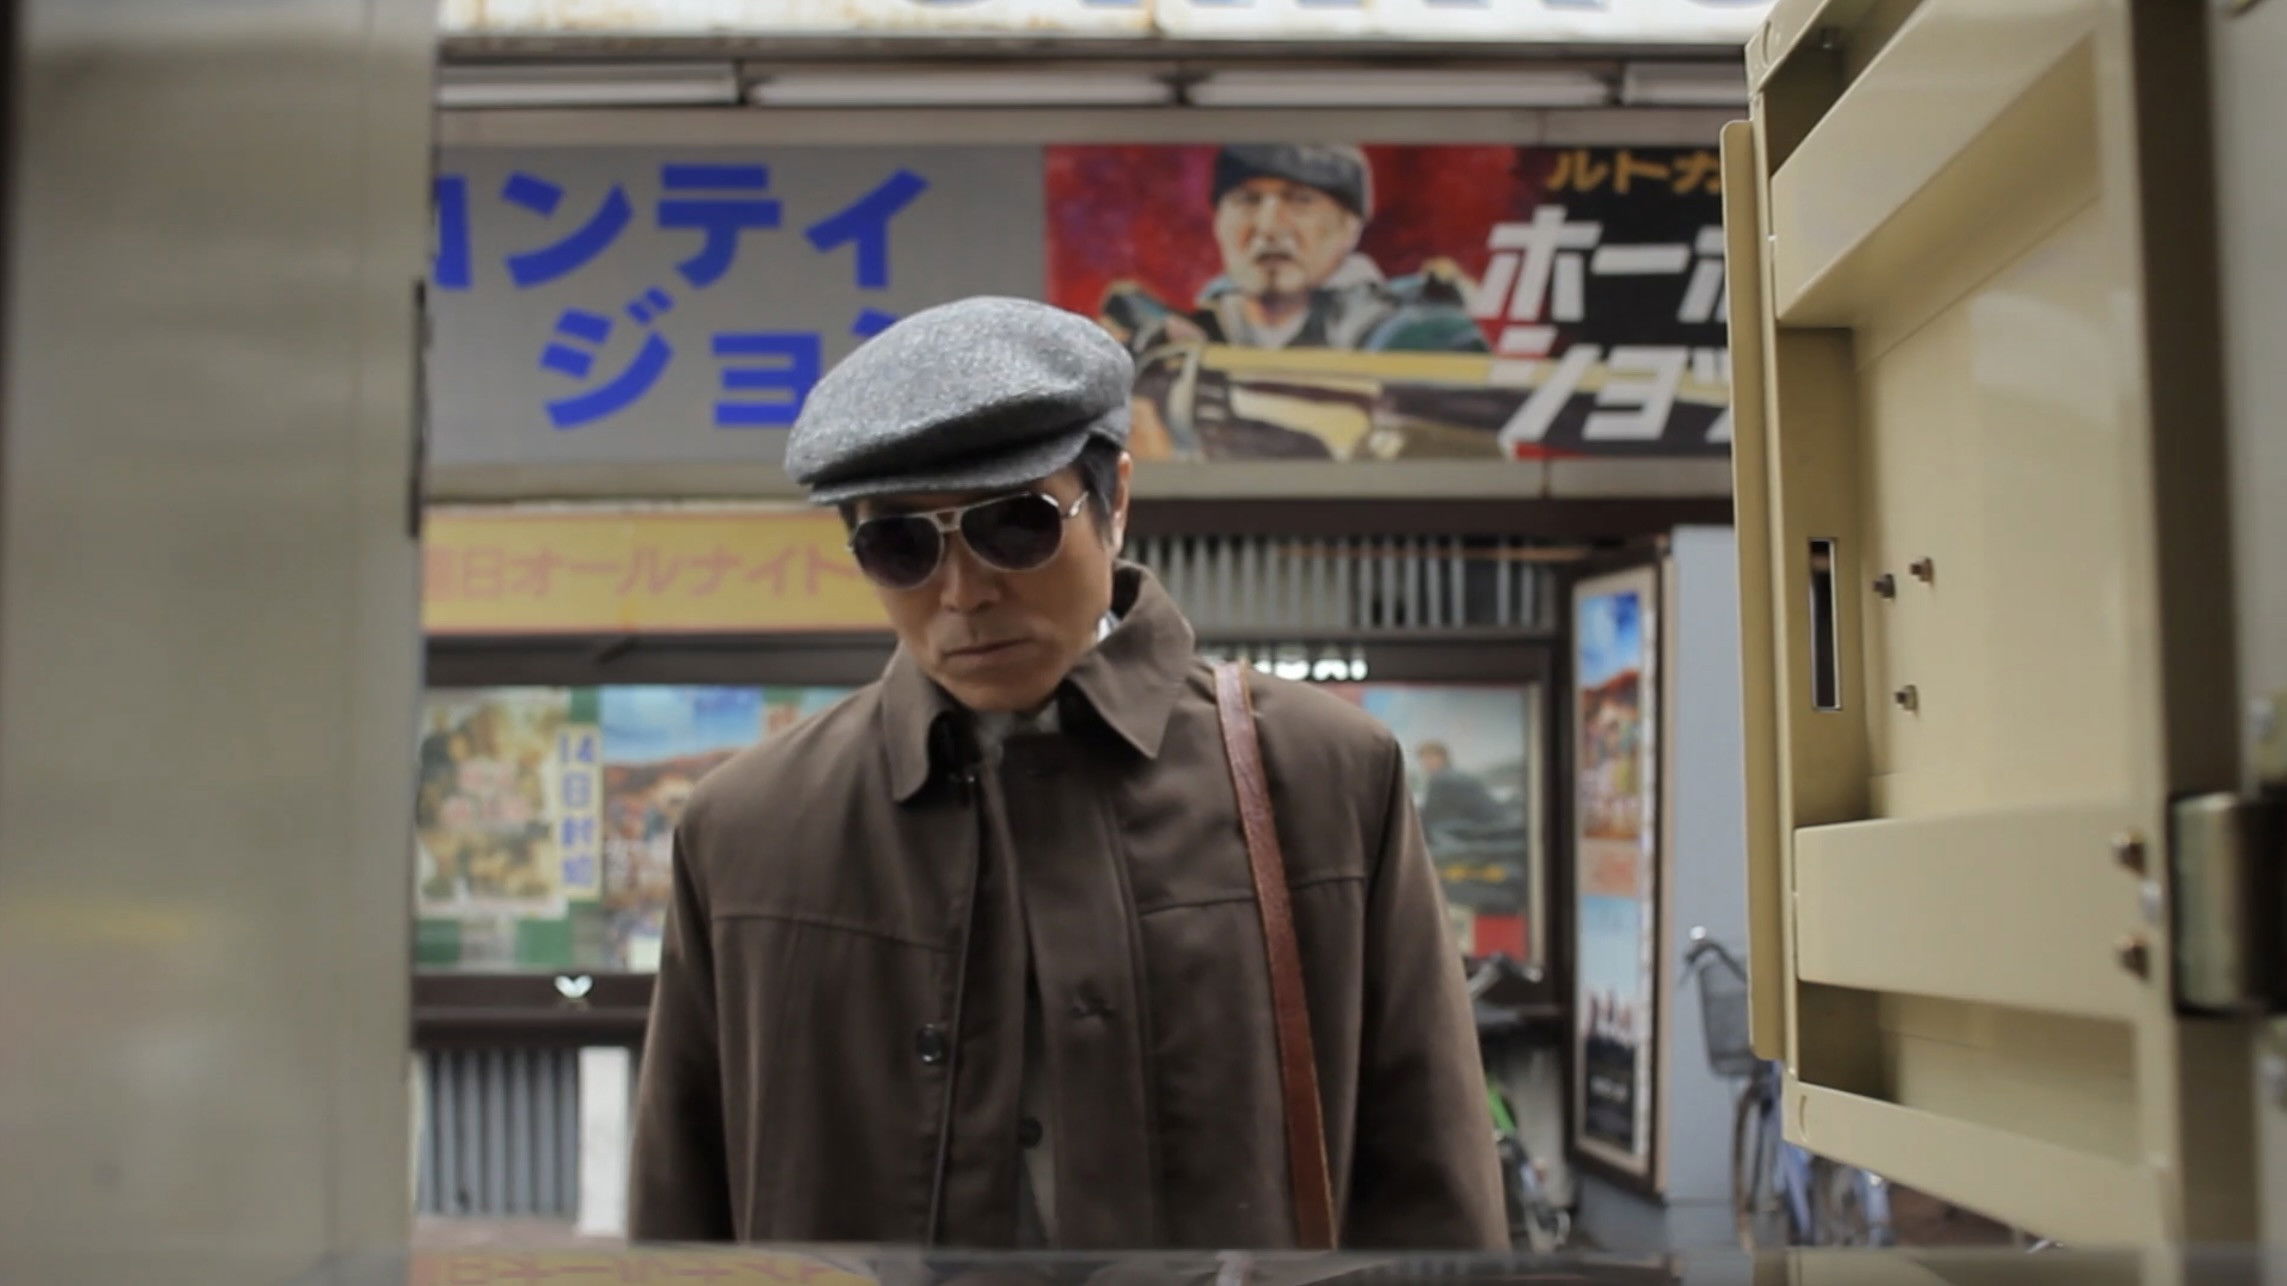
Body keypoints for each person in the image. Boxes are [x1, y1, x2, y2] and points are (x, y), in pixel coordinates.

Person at [628, 296, 1505, 1250]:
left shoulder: (1322, 777)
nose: (964, 592)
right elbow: (681, 1214)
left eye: (1015, 526)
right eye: (900, 546)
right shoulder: (748, 828)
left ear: (1114, 501)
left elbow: (1432, 1183)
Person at [1101, 144, 1487, 356]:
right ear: (1219, 222)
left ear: (1350, 227)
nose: (1269, 227)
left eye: (1300, 200)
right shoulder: (1172, 333)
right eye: (1247, 200)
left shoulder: (1413, 330)